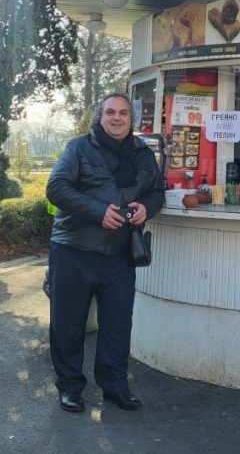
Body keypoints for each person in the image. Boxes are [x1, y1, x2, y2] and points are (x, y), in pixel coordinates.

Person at [46, 93, 166, 413]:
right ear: (100, 117)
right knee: (68, 324)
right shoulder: (79, 148)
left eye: (123, 113)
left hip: (120, 254)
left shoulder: (143, 154)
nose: (117, 118)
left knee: (117, 325)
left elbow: (157, 192)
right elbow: (56, 188)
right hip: (74, 249)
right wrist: (97, 211)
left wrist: (147, 207)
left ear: (131, 119)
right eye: (110, 112)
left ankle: (114, 385)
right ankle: (70, 386)